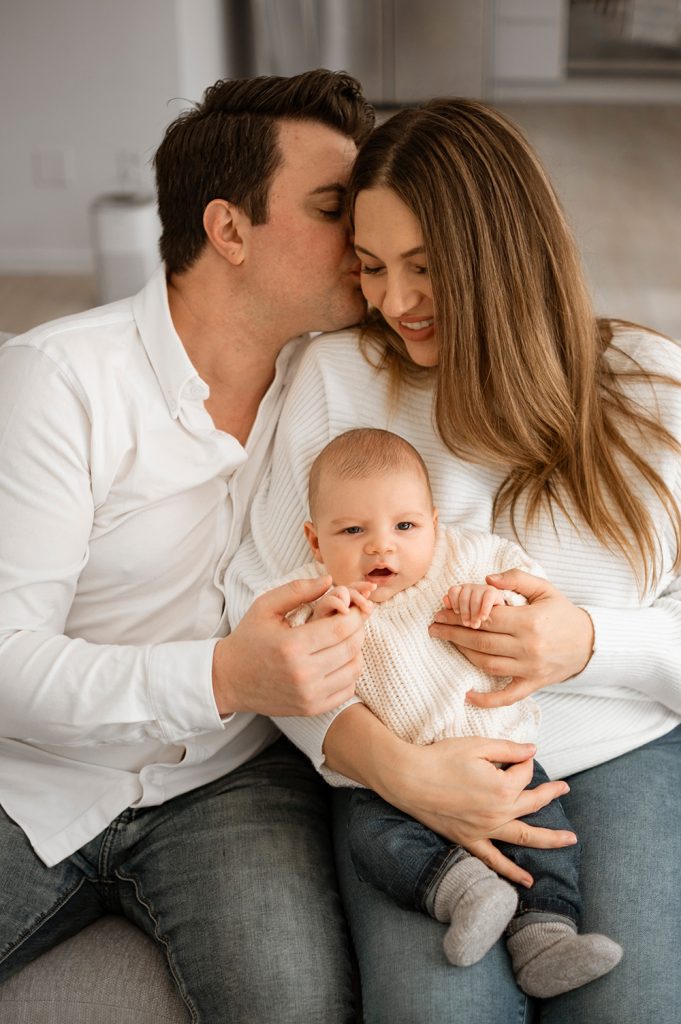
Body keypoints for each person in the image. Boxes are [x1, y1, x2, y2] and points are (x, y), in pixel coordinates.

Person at [227, 98, 681, 1022]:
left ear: (502, 255)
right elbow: (263, 603)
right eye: (372, 266)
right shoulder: (337, 378)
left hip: (612, 749)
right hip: (405, 767)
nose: (394, 302)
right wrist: (389, 766)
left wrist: (588, 643)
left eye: (425, 266)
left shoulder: (649, 387)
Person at [0, 69, 379, 1023]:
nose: (364, 236)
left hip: (228, 782)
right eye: (332, 207)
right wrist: (224, 676)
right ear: (228, 230)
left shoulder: (337, 381)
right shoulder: (58, 380)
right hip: (28, 778)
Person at [274, 426, 623, 998]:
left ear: (435, 524)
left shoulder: (467, 562)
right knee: (373, 841)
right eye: (353, 531)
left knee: (546, 836)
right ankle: (467, 893)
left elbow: (529, 595)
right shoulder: (319, 601)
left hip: (498, 757)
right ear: (315, 541)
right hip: (392, 784)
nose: (381, 548)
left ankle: (547, 938)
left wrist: (495, 600)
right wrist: (322, 626)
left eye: (405, 527)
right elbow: (292, 672)